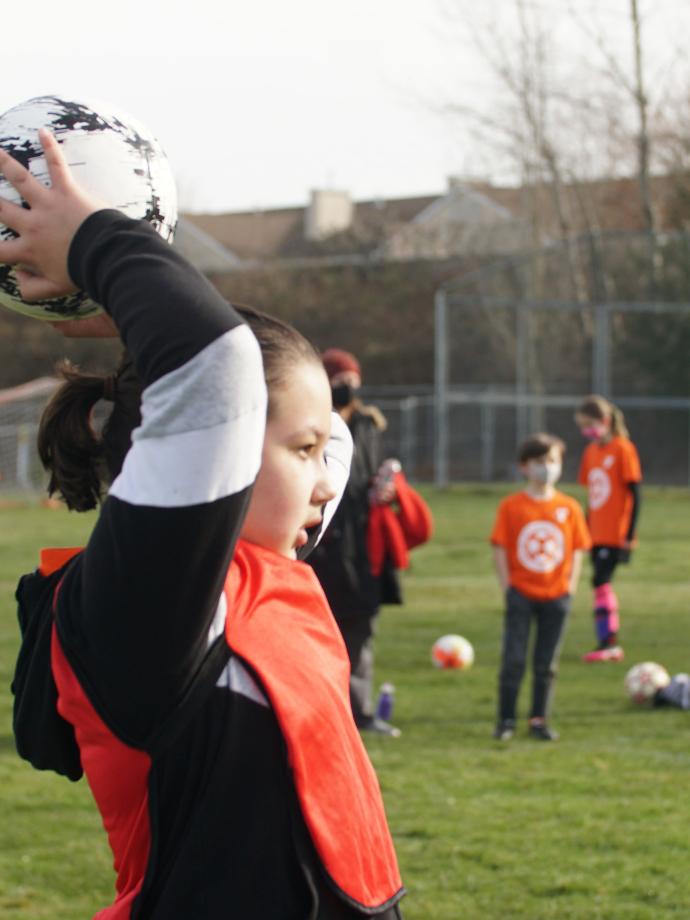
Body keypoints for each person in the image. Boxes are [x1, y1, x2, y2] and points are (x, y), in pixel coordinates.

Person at [1, 131, 405, 918]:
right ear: (218, 453)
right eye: (304, 451)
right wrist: (92, 245)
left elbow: (291, 405)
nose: (329, 479)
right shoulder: (150, 607)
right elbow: (218, 367)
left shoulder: (268, 562)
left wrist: (132, 319)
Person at [307, 348, 399, 737]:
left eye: (352, 382)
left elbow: (372, 474)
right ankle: (317, 712)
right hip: (320, 541)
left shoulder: (367, 425)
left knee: (360, 629)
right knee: (317, 629)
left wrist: (386, 490)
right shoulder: (310, 421)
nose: (347, 388)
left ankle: (359, 713)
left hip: (360, 545)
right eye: (339, 381)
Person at [490, 433, 591, 741]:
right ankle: (506, 720)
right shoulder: (512, 506)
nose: (546, 467)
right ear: (524, 466)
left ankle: (539, 720)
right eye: (539, 461)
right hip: (521, 594)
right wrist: (508, 587)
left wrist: (570, 587)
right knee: (514, 660)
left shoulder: (569, 507)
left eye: (552, 461)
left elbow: (577, 548)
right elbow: (500, 547)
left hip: (556, 595)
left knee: (546, 663)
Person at [575, 394, 642, 663]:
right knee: (599, 583)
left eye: (589, 424)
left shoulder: (623, 449)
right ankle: (606, 641)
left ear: (604, 421)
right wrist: (585, 530)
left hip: (615, 532)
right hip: (596, 532)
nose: (586, 431)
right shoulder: (591, 452)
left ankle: (609, 643)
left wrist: (629, 534)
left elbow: (636, 494)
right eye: (582, 426)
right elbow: (592, 496)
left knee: (601, 581)